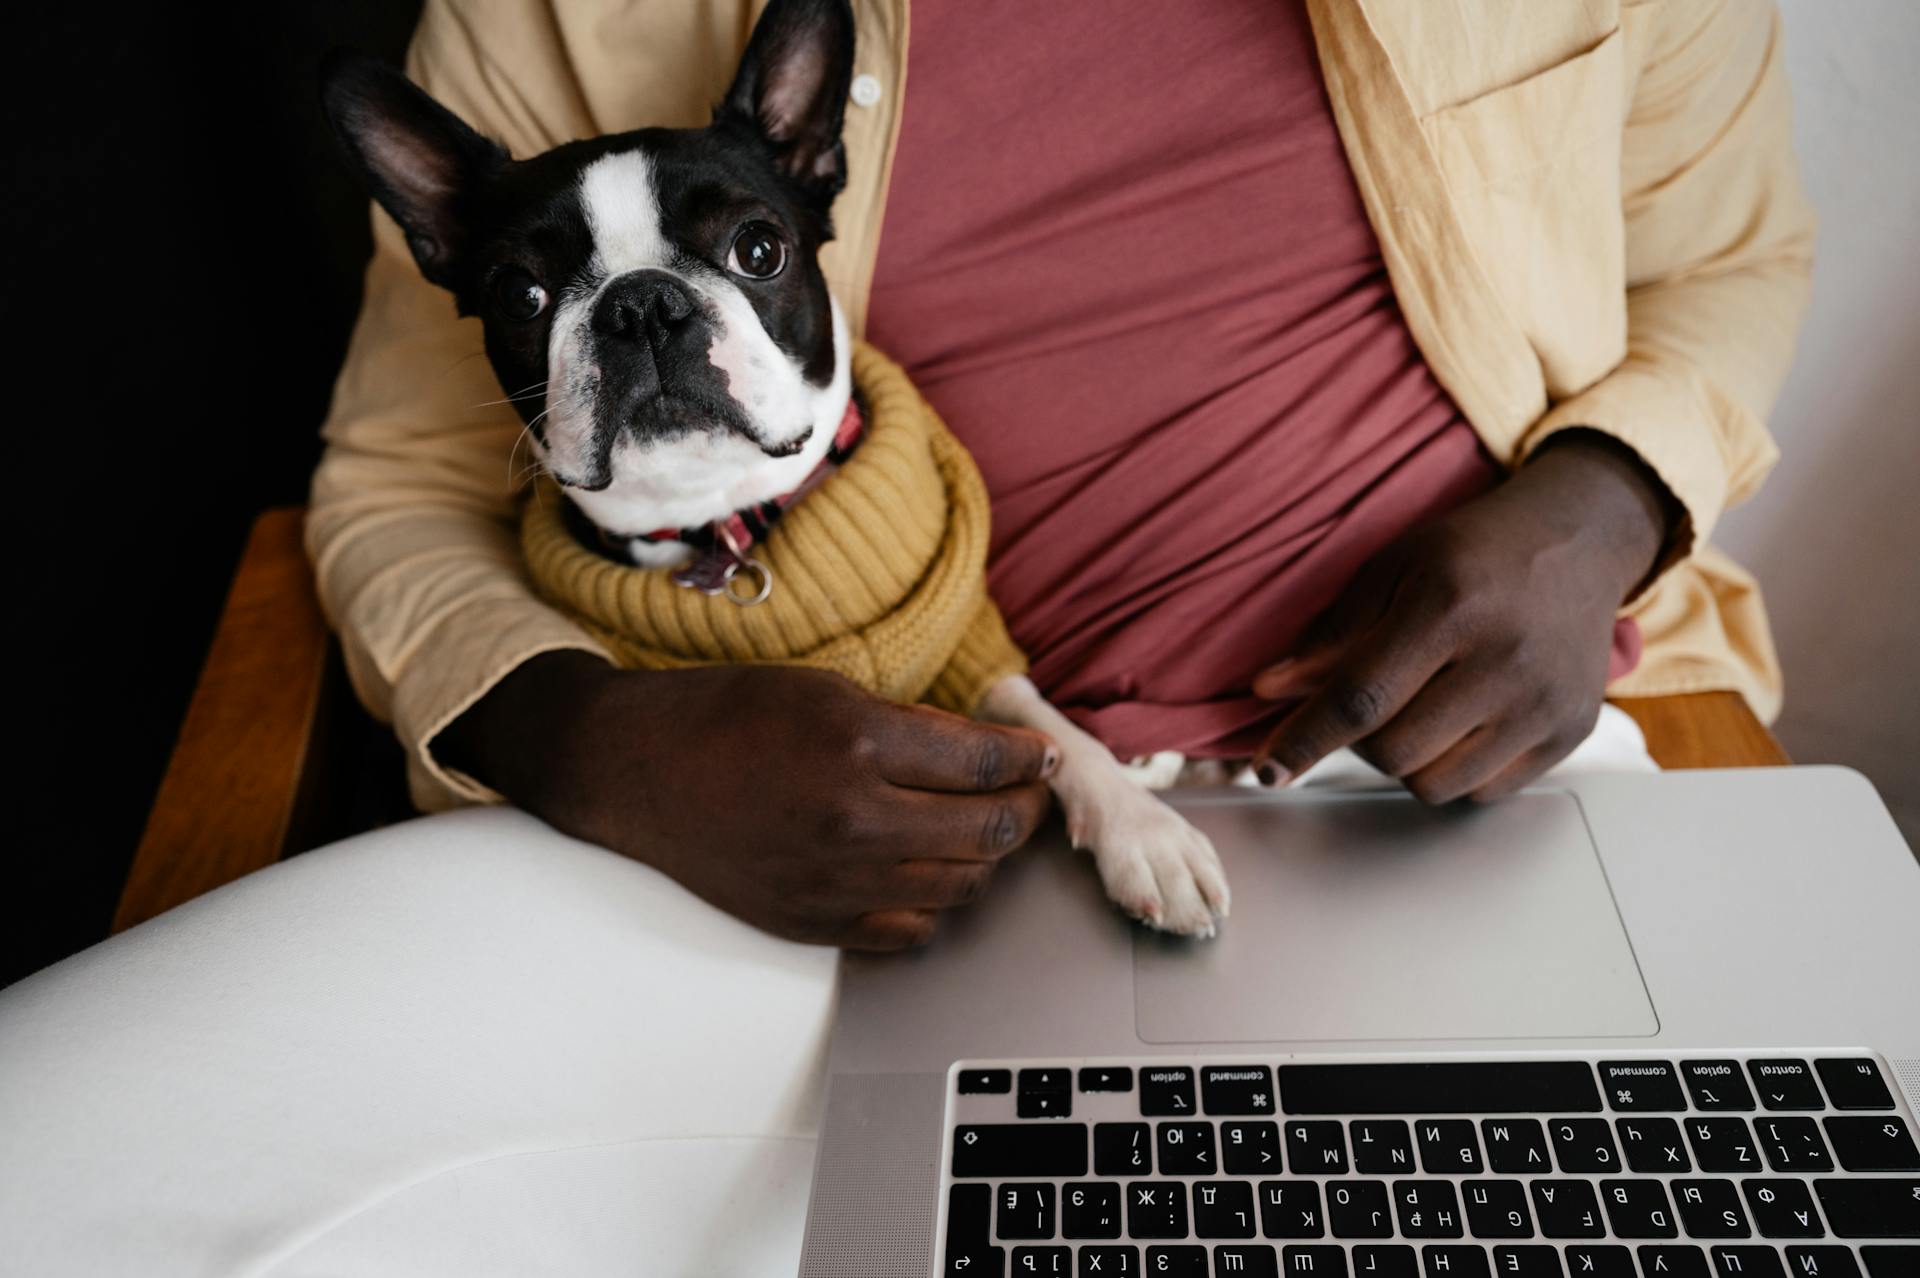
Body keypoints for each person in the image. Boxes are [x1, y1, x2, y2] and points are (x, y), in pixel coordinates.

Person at [0, 1, 1811, 1271]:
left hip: (1429, 762)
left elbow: (1729, 267)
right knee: (59, 1160)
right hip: (751, 800)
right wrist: (588, 737)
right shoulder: (547, 8)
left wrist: (1602, 507)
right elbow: (394, 474)